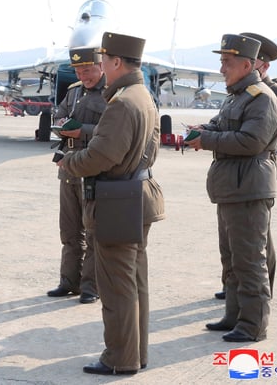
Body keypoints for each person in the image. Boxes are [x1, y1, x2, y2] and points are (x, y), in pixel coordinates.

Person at [60, 32, 165, 375]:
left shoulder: (121, 102)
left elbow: (101, 156)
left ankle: (119, 358)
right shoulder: (142, 96)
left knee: (117, 287)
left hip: (117, 200)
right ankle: (136, 353)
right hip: (136, 195)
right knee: (134, 284)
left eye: (104, 61)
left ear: (117, 61)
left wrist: (69, 162)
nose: (102, 67)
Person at [185, 34, 277, 343]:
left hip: (249, 187)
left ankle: (253, 325)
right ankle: (234, 314)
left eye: (227, 62)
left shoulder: (262, 98)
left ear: (246, 65)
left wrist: (207, 140)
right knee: (231, 256)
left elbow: (251, 141)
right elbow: (221, 125)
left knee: (249, 259)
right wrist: (202, 130)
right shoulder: (237, 95)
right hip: (232, 186)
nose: (222, 68)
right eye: (222, 62)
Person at [47, 46, 106, 303]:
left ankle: (91, 286)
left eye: (88, 70)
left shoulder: (111, 94)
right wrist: (60, 124)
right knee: (69, 230)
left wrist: (81, 130)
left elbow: (111, 131)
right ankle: (68, 281)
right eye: (79, 71)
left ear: (101, 66)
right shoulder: (73, 92)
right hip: (68, 167)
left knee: (93, 231)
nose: (83, 76)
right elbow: (59, 114)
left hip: (93, 167)